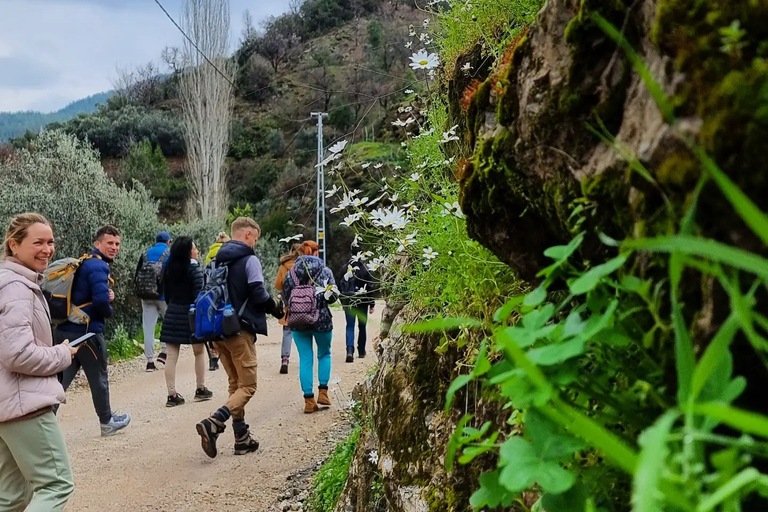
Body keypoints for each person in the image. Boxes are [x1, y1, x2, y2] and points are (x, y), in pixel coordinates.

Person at [0, 213, 78, 511]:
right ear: (14, 245)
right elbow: (16, 354)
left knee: (10, 498)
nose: (47, 249)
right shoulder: (17, 288)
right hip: (23, 404)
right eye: (38, 242)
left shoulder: (8, 282)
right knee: (56, 485)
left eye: (51, 242)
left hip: (6, 406)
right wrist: (61, 354)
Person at [195, 217, 283, 458]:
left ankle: (241, 438)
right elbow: (258, 293)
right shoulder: (249, 259)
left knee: (235, 384)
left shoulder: (215, 258)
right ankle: (214, 422)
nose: (255, 242)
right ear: (247, 234)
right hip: (239, 330)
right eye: (255, 237)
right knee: (248, 386)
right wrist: (276, 307)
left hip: (217, 332)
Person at [54, 225, 131, 437]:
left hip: (64, 332)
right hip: (87, 333)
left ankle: (43, 423)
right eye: (110, 243)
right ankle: (107, 422)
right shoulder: (99, 267)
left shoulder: (84, 263)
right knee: (98, 378)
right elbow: (100, 303)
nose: (114, 247)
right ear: (98, 244)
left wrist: (106, 296)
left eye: (117, 244)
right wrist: (108, 307)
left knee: (59, 381)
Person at [283, 241, 339, 414]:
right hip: (322, 321)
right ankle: (323, 392)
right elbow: (332, 297)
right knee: (324, 354)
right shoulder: (325, 271)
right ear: (315, 253)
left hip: (298, 322)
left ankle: (308, 401)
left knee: (305, 359)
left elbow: (286, 298)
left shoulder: (291, 274)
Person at [159, 237, 212, 407]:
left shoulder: (168, 269)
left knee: (171, 356)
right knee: (199, 353)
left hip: (173, 313)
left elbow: (165, 294)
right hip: (192, 316)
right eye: (195, 249)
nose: (197, 252)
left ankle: (171, 394)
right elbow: (200, 295)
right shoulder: (194, 269)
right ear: (189, 252)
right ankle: (200, 388)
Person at [135, 231, 171, 372]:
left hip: (146, 295)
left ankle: (149, 362)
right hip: (163, 295)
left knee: (148, 327)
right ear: (168, 242)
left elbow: (137, 274)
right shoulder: (169, 253)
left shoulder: (145, 253)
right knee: (168, 323)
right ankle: (164, 352)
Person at [274, 242, 303, 374]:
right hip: (303, 304)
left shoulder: (283, 266)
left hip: (288, 304)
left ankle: (285, 359)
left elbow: (278, 285)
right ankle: (305, 359)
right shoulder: (304, 266)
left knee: (287, 332)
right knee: (304, 332)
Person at [340, 258, 376, 362]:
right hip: (362, 302)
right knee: (362, 326)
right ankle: (361, 351)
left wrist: (343, 302)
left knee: (350, 326)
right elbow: (370, 287)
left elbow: (339, 285)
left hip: (349, 301)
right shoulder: (365, 270)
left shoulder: (345, 269)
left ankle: (350, 350)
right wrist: (371, 303)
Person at [204, 232, 230, 371]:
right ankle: (224, 352)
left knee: (211, 322)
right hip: (223, 293)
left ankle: (213, 357)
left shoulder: (209, 255)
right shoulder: (228, 254)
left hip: (210, 294)